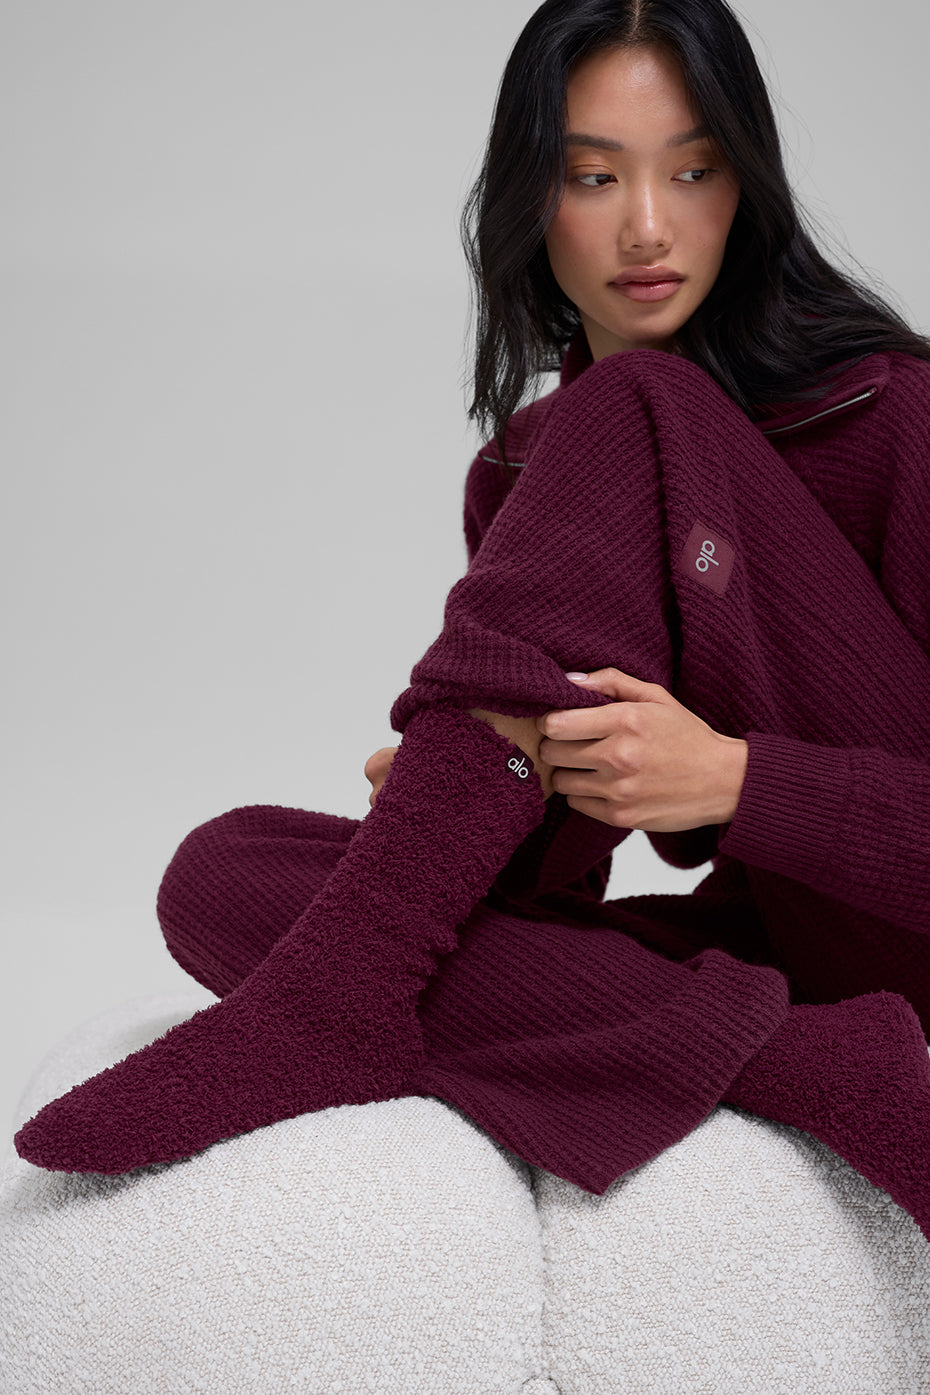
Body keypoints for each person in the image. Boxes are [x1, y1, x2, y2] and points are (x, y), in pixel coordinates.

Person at [14, 0, 930, 1244]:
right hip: (796, 968)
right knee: (224, 875)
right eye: (593, 177)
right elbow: (561, 892)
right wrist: (480, 799)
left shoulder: (891, 412)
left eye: (693, 171)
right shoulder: (521, 473)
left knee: (633, 402)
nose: (647, 226)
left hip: (902, 930)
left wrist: (733, 781)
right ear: (528, 199)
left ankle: (333, 1004)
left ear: (747, 190)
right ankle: (813, 1068)